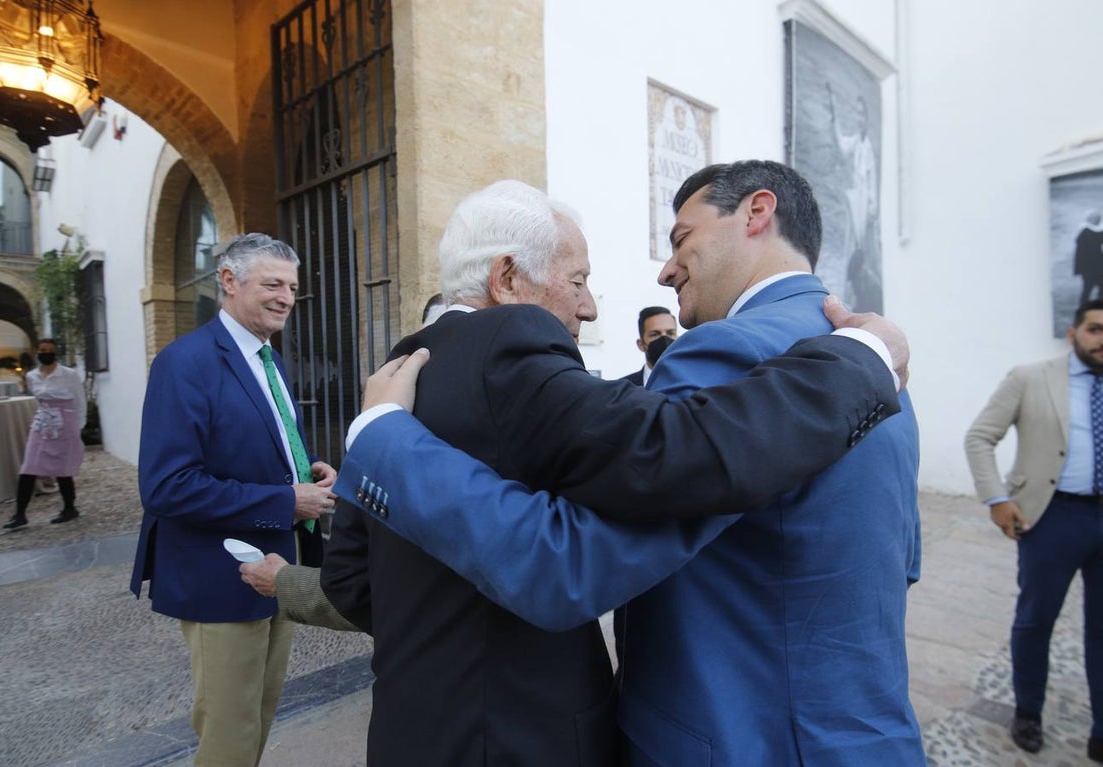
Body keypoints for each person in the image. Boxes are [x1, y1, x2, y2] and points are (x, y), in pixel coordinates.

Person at [332, 162, 924, 765]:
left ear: (756, 213)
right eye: (578, 281)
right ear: (508, 277)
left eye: (680, 238)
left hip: (740, 738)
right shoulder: (877, 369)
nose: (664, 270)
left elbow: (569, 555)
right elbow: (896, 563)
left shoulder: (735, 352)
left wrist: (381, 440)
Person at [130, 233, 338, 767]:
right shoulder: (185, 362)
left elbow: (254, 445)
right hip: (218, 577)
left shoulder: (270, 359)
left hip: (276, 566)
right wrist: (284, 500)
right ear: (228, 280)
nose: (287, 296)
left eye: (292, 286)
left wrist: (304, 470)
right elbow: (166, 485)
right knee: (228, 730)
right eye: (273, 283)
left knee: (260, 714)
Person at [965, 299, 1103, 763]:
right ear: (1073, 333)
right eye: (1095, 329)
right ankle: (1028, 712)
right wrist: (997, 499)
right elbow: (979, 437)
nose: (1102, 340)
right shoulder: (1032, 377)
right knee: (1035, 621)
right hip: (1052, 518)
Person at [2, 338, 86, 530]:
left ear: (55, 353)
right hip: (41, 424)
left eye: (49, 350)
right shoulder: (32, 376)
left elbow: (80, 400)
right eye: (42, 350)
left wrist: (78, 427)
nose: (45, 353)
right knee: (28, 467)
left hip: (65, 423)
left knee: (63, 469)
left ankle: (69, 508)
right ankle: (19, 514)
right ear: (37, 352)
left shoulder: (68, 374)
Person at [827, 84, 881, 313]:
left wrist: (872, 206)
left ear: (866, 118)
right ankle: (848, 296)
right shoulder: (856, 142)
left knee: (862, 250)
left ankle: (858, 297)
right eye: (856, 113)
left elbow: (871, 180)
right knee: (852, 247)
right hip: (854, 201)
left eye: (861, 113)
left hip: (864, 206)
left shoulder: (867, 145)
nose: (858, 118)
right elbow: (841, 146)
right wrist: (833, 114)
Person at [621, 306, 677, 385]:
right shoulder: (623, 389)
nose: (664, 339)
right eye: (654, 334)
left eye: (670, 333)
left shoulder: (695, 384)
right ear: (641, 344)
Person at [1075, 211, 1103, 305]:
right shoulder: (1084, 232)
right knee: (1087, 289)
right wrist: (1080, 269)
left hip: (1099, 266)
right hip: (1089, 268)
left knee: (1099, 289)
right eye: (1094, 218)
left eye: (1098, 218)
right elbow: (1080, 254)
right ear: (1090, 220)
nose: (1097, 220)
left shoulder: (1097, 232)